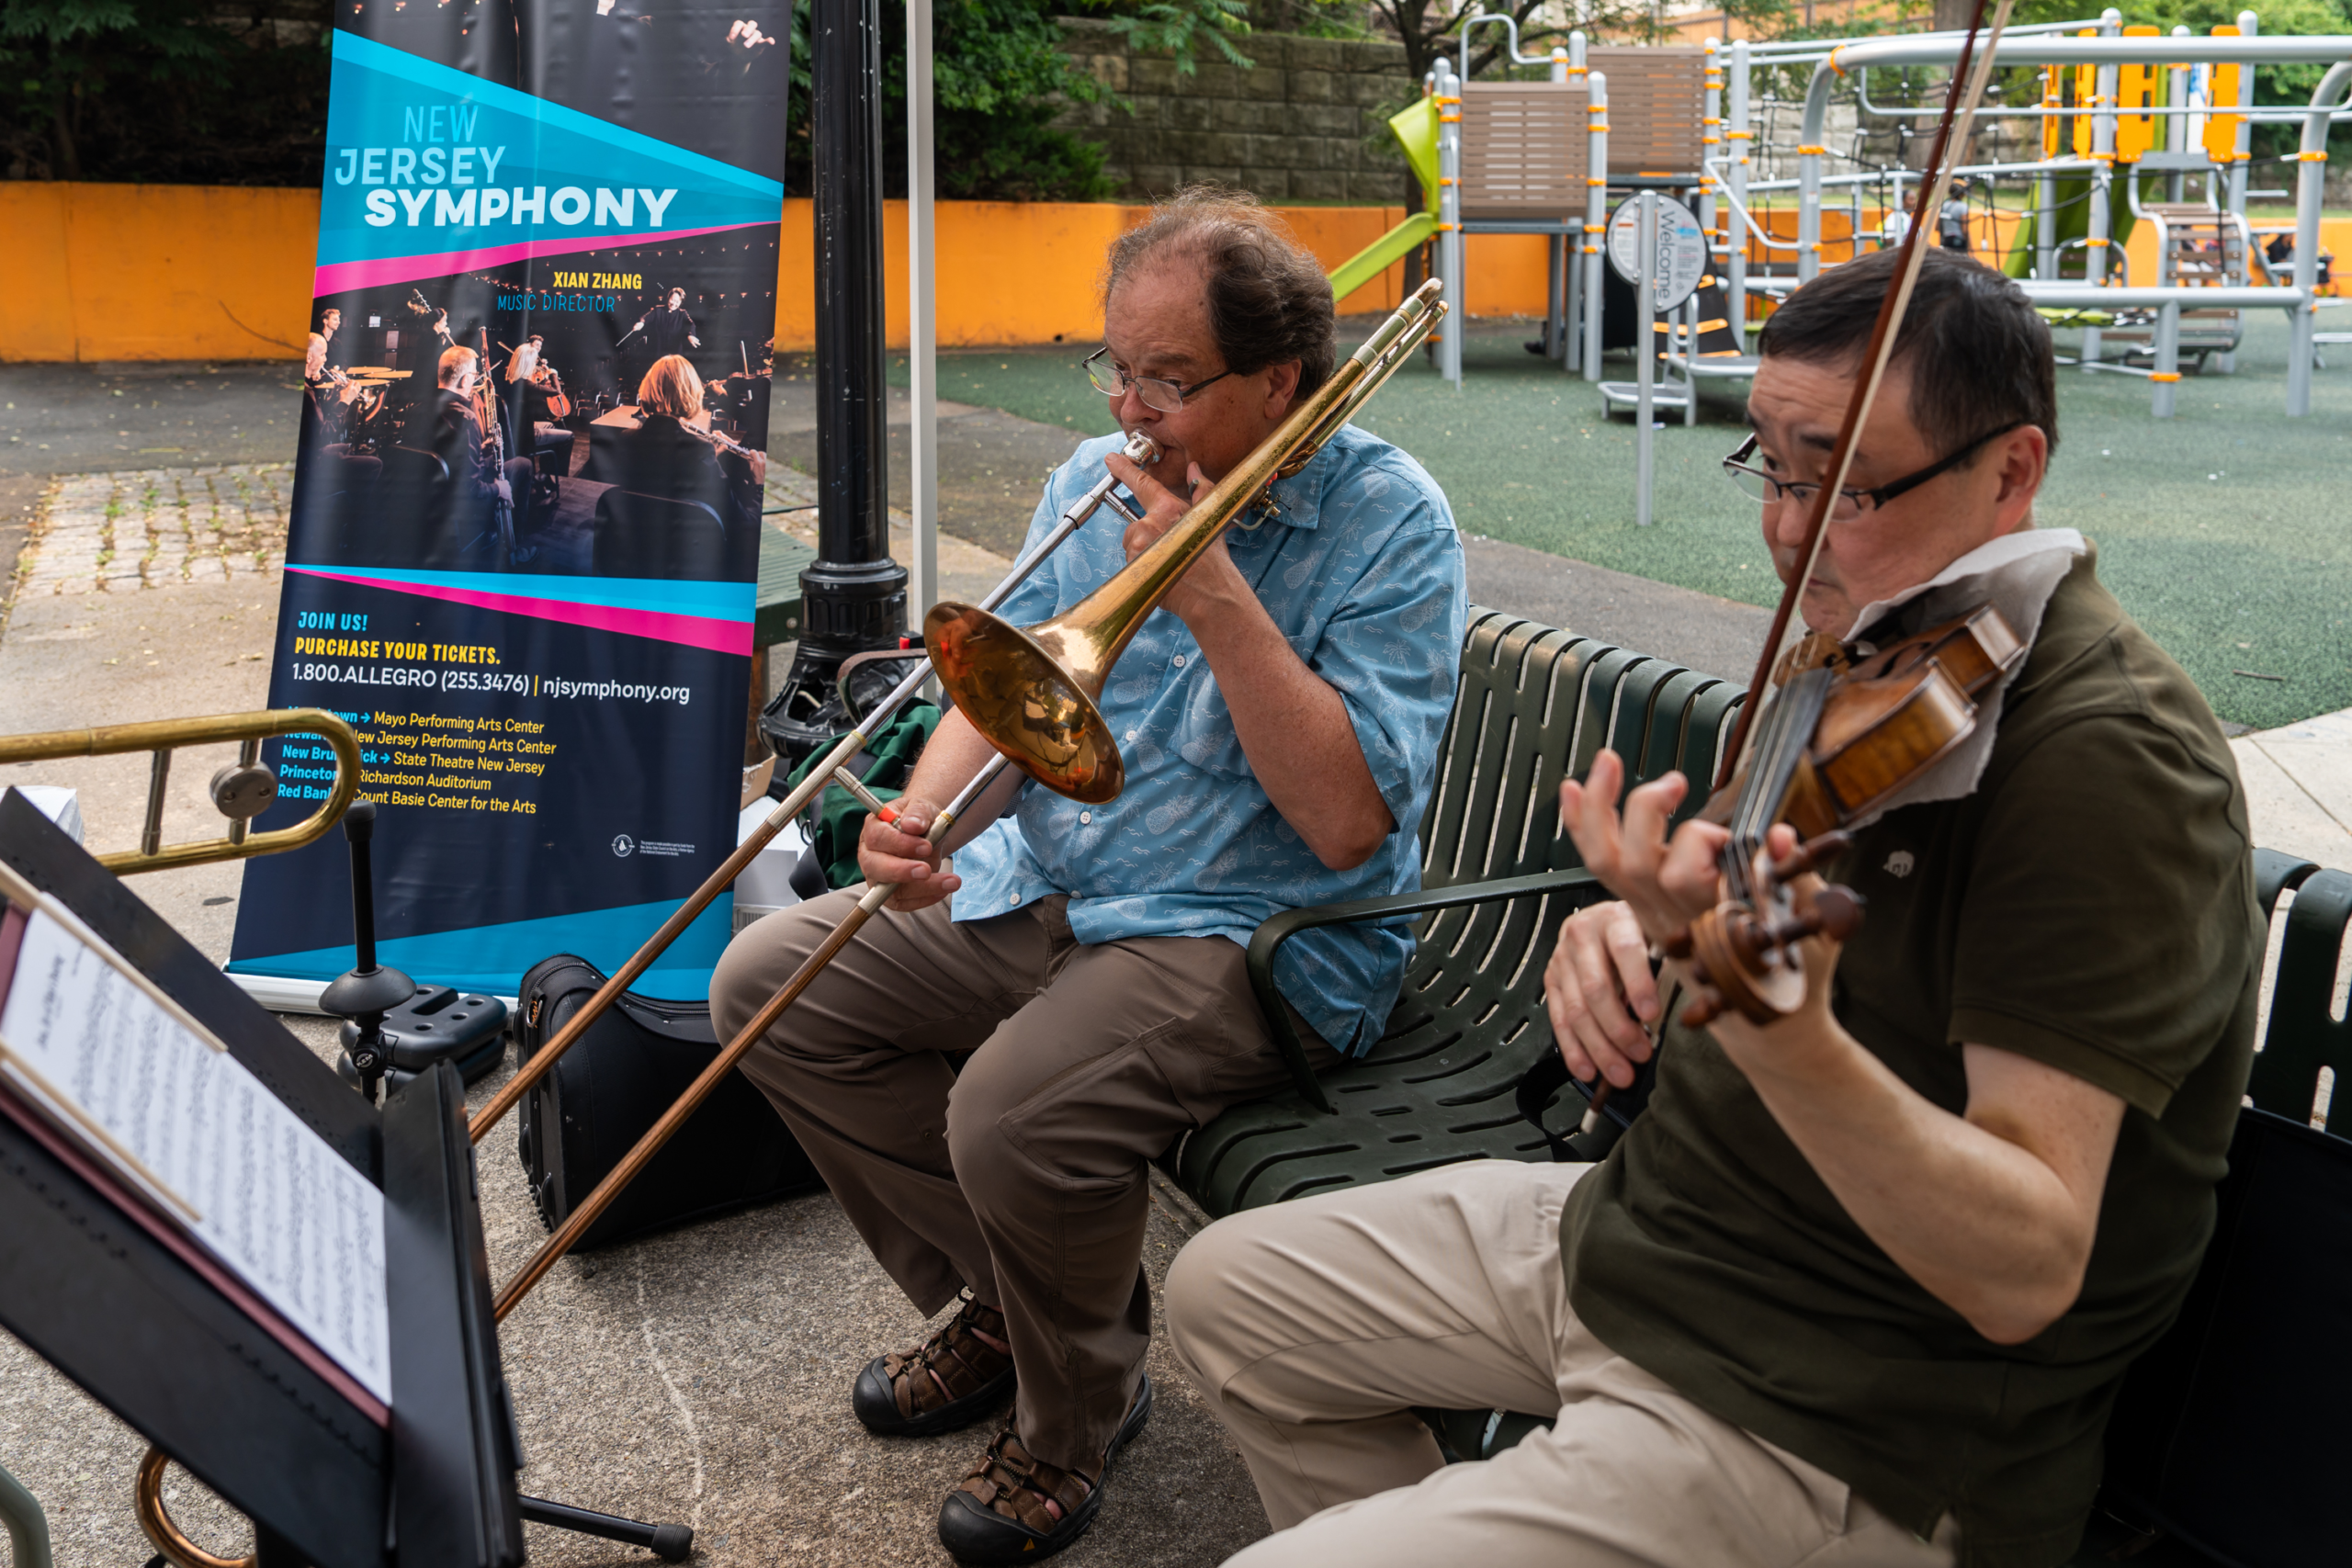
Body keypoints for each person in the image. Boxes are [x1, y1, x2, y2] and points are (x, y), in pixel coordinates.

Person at [1162, 246, 2260, 1568]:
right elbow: (1734, 879)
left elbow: (2026, 1262)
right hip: (1660, 1229)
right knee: (1230, 1294)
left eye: (1847, 482)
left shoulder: (2108, 762)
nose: (1790, 532)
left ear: (2013, 470)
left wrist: (1775, 1027)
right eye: (1774, 467)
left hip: (1842, 1402)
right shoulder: (1854, 652)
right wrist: (1624, 928)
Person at [710, 188, 1467, 1566]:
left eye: (1168, 381)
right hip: (1057, 873)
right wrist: (922, 816)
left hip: (1256, 929)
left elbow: (1350, 825)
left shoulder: (1393, 524)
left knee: (1009, 1111)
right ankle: (1016, 1302)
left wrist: (1219, 596)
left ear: (1279, 380)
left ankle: (1077, 1408)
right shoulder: (1094, 473)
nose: (1130, 407)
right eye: (1115, 366)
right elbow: (1006, 682)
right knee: (772, 981)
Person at [432, 344, 537, 562]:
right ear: (463, 380)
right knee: (524, 465)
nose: (475, 379)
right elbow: (471, 488)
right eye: (473, 374)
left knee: (497, 461)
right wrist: (499, 487)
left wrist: (479, 450)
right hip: (461, 498)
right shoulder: (466, 417)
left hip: (434, 493)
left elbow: (443, 454)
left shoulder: (419, 405)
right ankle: (514, 547)